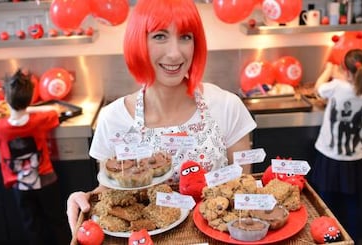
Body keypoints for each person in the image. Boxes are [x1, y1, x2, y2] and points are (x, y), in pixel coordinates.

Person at [66, 0, 257, 233]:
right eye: (159, 36)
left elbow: (243, 191)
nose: (175, 53)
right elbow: (109, 195)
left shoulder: (227, 106)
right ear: (139, 42)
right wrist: (84, 199)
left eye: (186, 36)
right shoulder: (113, 119)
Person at [0, 69, 71, 245]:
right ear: (29, 98)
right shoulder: (39, 120)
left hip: (21, 187)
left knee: (32, 225)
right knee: (58, 221)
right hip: (47, 181)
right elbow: (55, 109)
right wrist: (29, 107)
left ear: (6, 99)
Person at [309, 49, 362, 243]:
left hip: (330, 158)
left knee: (325, 203)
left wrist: (328, 69)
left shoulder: (337, 86)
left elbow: (317, 89)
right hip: (356, 159)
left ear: (346, 71)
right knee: (353, 203)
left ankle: (328, 240)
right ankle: (353, 240)